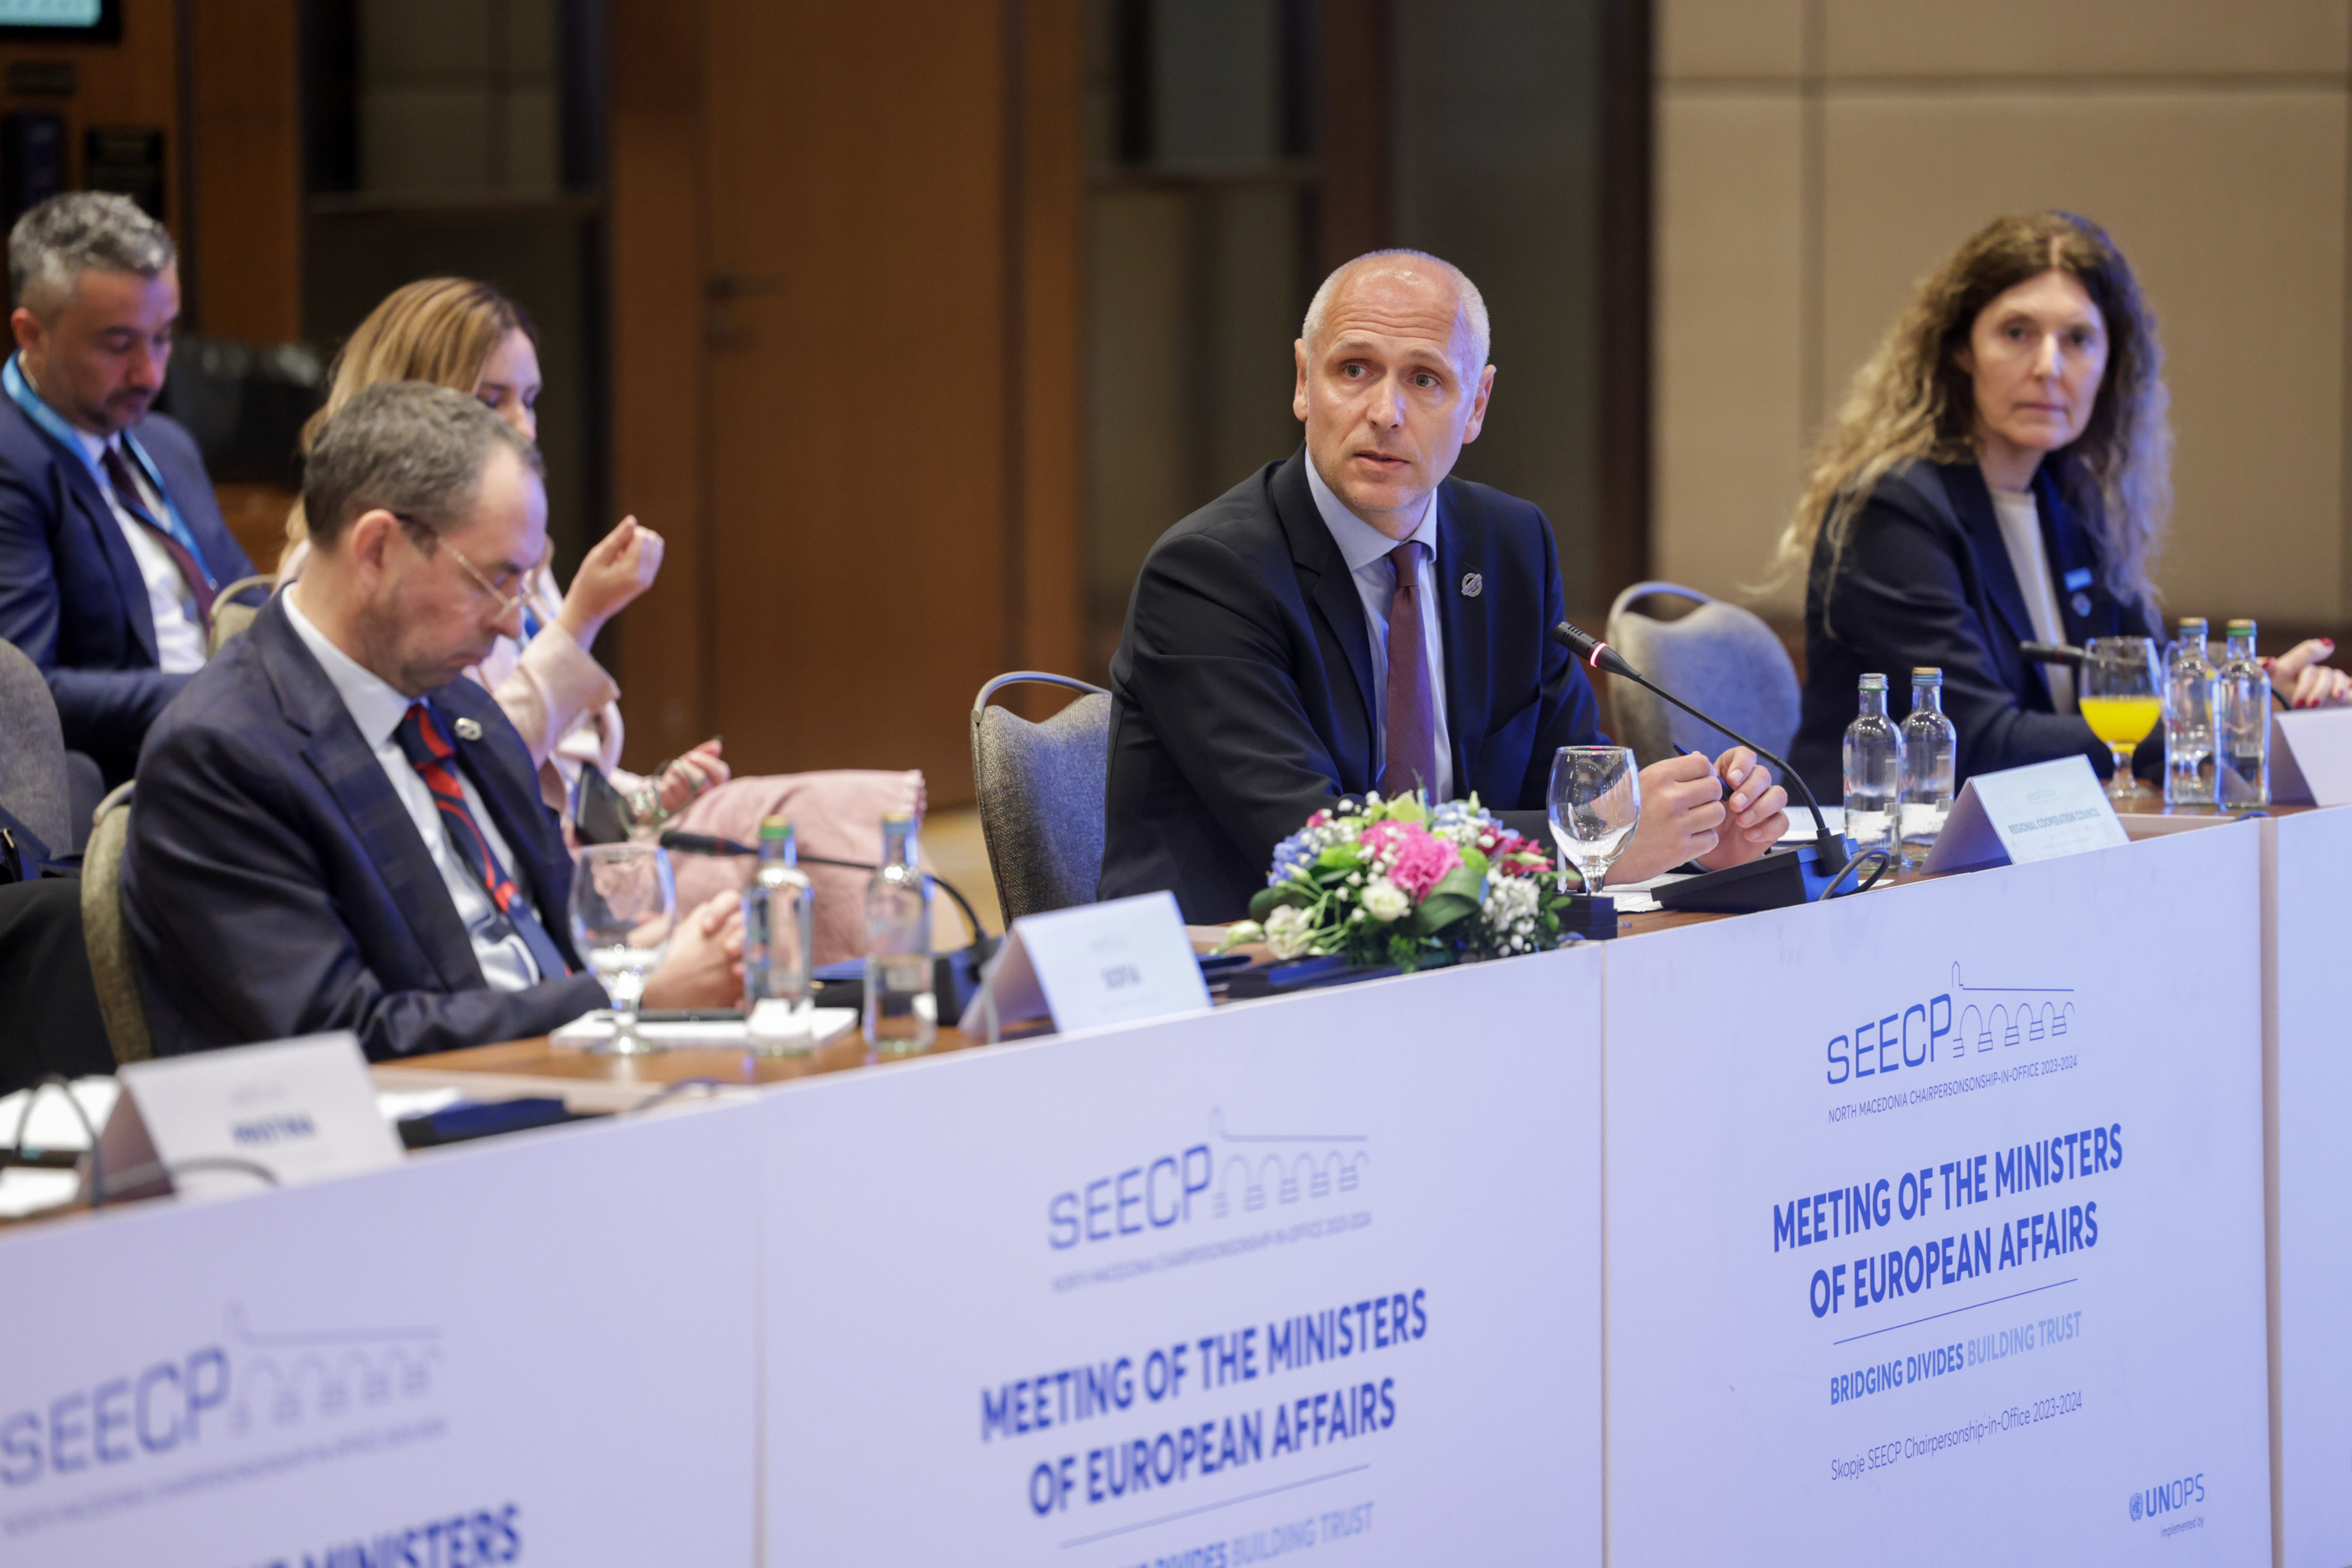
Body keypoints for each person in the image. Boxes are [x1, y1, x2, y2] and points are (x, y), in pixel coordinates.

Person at [1100, 249, 1789, 922]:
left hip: (1458, 964)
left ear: (1478, 402)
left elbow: (1569, 775)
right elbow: (1325, 851)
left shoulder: (1510, 543)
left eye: (1425, 380)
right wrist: (1590, 846)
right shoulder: (1209, 575)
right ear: (1305, 382)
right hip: (1239, 983)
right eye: (1354, 370)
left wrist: (1700, 835)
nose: (1386, 412)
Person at [278, 279, 924, 961]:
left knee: (828, 825)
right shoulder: (357, 584)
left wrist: (647, 797)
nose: (522, 427)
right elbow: (461, 761)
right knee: (808, 849)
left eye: (529, 400)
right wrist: (579, 621)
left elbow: (559, 767)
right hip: (516, 879)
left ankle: (877, 1027)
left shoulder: (514, 551)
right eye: (489, 399)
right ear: (411, 410)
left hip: (588, 849)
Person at [122, 383, 743, 1059]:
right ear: (378, 550)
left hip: (572, 1091)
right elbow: (346, 1038)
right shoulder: (222, 757)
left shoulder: (459, 709)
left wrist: (646, 954)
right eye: (493, 582)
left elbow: (557, 945)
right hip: (425, 1137)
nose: (513, 622)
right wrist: (630, 996)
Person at [1782, 211, 2179, 800]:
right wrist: (2193, 732)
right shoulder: (1894, 510)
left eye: (2078, 340)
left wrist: (2252, 696)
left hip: (2024, 848)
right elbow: (1980, 741)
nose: (2049, 367)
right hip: (1880, 863)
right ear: (1961, 349)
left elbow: (2147, 688)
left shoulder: (2073, 508)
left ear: (2109, 364)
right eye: (2017, 333)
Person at [0, 193, 253, 788]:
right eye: (118, 345)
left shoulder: (165, 442)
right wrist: (212, 697)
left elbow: (243, 600)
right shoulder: (11, 462)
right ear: (31, 334)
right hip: (131, 777)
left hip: (237, 745)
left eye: (163, 337)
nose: (151, 374)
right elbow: (25, 691)